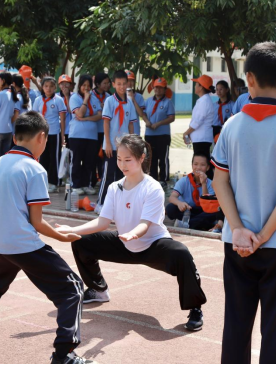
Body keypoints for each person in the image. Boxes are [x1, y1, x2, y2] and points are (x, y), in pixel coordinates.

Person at [0, 112, 90, 365]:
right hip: (20, 243)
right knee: (72, 289)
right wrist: (61, 235)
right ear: (42, 138)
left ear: (15, 137)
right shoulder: (34, 168)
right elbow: (36, 222)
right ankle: (64, 354)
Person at [212, 42, 276, 364]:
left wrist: (240, 230)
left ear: (249, 79)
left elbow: (219, 181)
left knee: (236, 327)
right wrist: (265, 235)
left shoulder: (231, 126)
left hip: (237, 244)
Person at [57, 134, 207, 331]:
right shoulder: (114, 187)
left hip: (153, 244)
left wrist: (133, 234)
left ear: (141, 158)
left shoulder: (152, 188)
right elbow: (102, 222)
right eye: (119, 159)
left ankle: (195, 308)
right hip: (124, 242)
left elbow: (145, 224)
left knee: (182, 253)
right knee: (81, 241)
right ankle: (98, 289)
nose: (123, 164)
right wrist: (72, 230)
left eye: (128, 160)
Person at [97, 70, 137, 211]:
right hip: (111, 146)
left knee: (122, 176)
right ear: (113, 84)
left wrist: (132, 143)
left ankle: (119, 205)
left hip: (124, 147)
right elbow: (106, 122)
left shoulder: (129, 102)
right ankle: (101, 204)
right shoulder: (110, 101)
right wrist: (107, 142)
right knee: (108, 175)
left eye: (124, 83)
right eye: (118, 84)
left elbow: (131, 123)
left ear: (128, 84)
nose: (121, 86)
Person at [166, 154, 221, 231]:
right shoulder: (184, 180)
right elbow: (172, 197)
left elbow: (207, 204)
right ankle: (197, 224)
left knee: (215, 211)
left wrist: (204, 183)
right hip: (186, 210)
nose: (198, 167)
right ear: (192, 165)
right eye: (195, 164)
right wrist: (179, 203)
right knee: (170, 208)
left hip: (202, 211)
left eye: (202, 165)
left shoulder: (210, 183)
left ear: (208, 167)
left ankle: (188, 224)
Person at [68, 75, 102, 196]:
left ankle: (86, 184)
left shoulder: (95, 99)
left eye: (88, 86)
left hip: (92, 136)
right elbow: (79, 114)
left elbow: (99, 116)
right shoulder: (74, 98)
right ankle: (75, 185)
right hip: (77, 135)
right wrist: (86, 100)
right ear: (79, 86)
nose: (86, 88)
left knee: (89, 162)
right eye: (84, 85)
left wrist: (86, 118)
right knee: (76, 161)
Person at [32, 77, 67, 192]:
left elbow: (62, 119)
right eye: (46, 86)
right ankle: (43, 180)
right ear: (42, 87)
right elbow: (35, 117)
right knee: (42, 157)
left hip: (54, 132)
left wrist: (62, 136)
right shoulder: (38, 100)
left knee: (54, 157)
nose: (48, 89)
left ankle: (54, 182)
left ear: (55, 87)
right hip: (41, 133)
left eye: (51, 86)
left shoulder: (58, 100)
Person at [141, 78, 175, 187]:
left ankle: (163, 179)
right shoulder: (148, 101)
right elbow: (143, 114)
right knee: (151, 157)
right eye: (156, 87)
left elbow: (171, 117)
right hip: (150, 134)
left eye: (160, 87)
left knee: (163, 157)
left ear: (165, 89)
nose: (157, 89)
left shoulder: (168, 102)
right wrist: (147, 122)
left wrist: (158, 123)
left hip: (163, 135)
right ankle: (153, 178)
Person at [183, 74, 216, 179]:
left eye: (196, 84)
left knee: (203, 165)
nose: (194, 86)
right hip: (200, 138)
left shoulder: (204, 101)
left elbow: (197, 121)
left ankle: (208, 188)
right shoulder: (203, 100)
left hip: (202, 139)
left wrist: (186, 132)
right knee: (201, 163)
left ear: (201, 86)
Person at [0, 72, 18, 166]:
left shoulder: (0, 94)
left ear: (3, 81)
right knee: (4, 155)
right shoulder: (13, 94)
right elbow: (15, 115)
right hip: (8, 129)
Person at [91, 73, 112, 189]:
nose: (107, 85)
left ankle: (101, 178)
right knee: (93, 155)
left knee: (103, 156)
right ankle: (92, 179)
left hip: (104, 131)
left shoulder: (109, 96)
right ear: (98, 84)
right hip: (93, 131)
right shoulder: (91, 95)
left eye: (108, 83)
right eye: (104, 83)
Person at [126, 70, 146, 136]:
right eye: (127, 80)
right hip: (123, 128)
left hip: (135, 129)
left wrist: (133, 99)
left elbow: (141, 114)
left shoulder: (139, 96)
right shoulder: (119, 96)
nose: (129, 83)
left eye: (132, 81)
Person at [57, 74, 73, 146]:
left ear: (70, 85)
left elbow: (71, 110)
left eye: (66, 84)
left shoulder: (74, 96)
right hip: (59, 129)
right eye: (62, 84)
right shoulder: (56, 97)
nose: (64, 86)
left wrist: (67, 96)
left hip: (71, 130)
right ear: (59, 85)